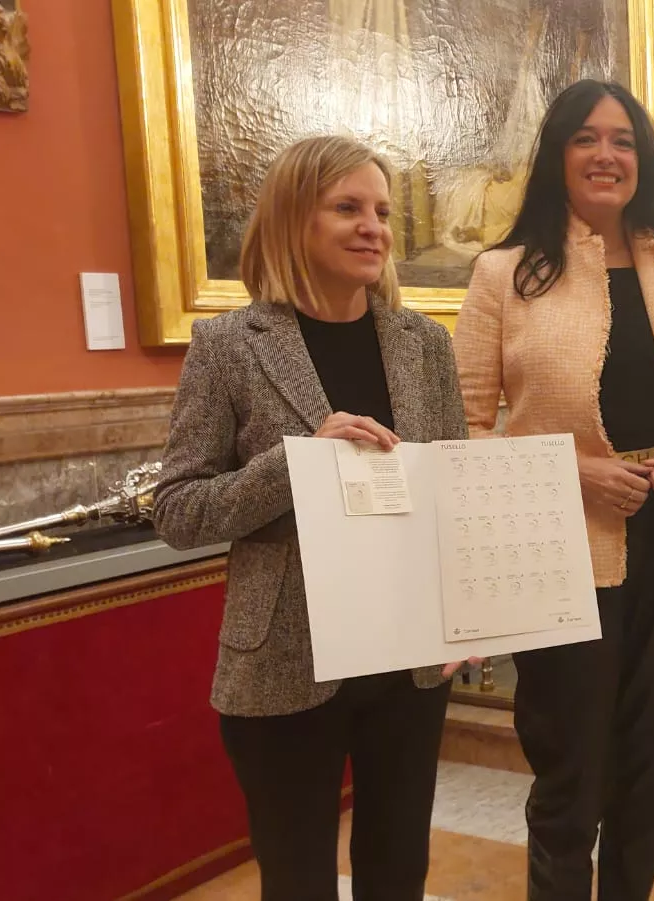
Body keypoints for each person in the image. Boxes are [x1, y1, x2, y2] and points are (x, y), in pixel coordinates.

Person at [153, 135, 475, 901]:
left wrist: (468, 620)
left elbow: (451, 493)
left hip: (407, 660)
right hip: (284, 659)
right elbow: (178, 509)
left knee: (397, 871)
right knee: (296, 879)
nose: (375, 228)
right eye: (348, 208)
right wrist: (297, 460)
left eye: (383, 212)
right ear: (296, 219)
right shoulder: (229, 344)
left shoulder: (425, 343)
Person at [453, 79, 654, 900]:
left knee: (652, 770)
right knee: (570, 775)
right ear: (556, 156)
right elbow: (463, 434)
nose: (605, 154)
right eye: (586, 138)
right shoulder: (502, 276)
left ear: (641, 160)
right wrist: (568, 473)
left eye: (621, 139)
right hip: (561, 556)